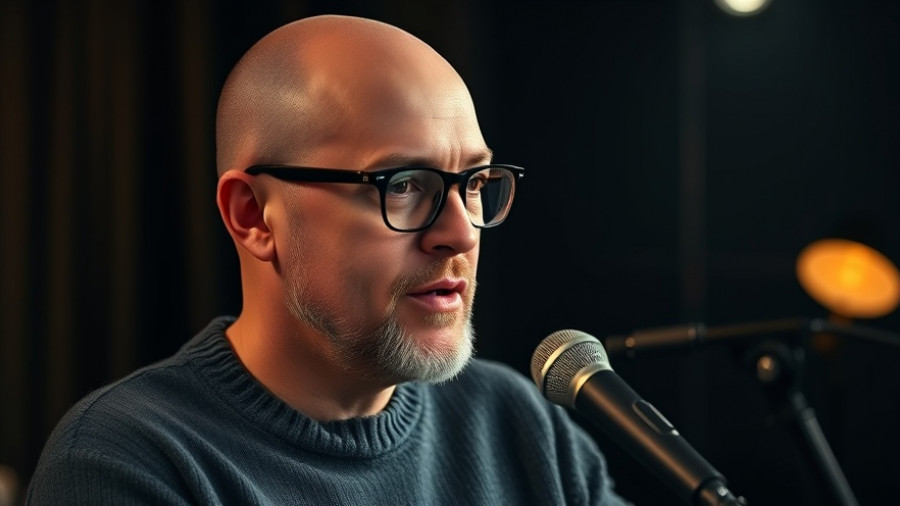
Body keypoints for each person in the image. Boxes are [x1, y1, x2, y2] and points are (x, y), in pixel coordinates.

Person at [27, 14, 627, 505]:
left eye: (473, 182)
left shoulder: (520, 426)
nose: (461, 233)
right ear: (254, 216)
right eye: (403, 184)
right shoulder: (127, 462)